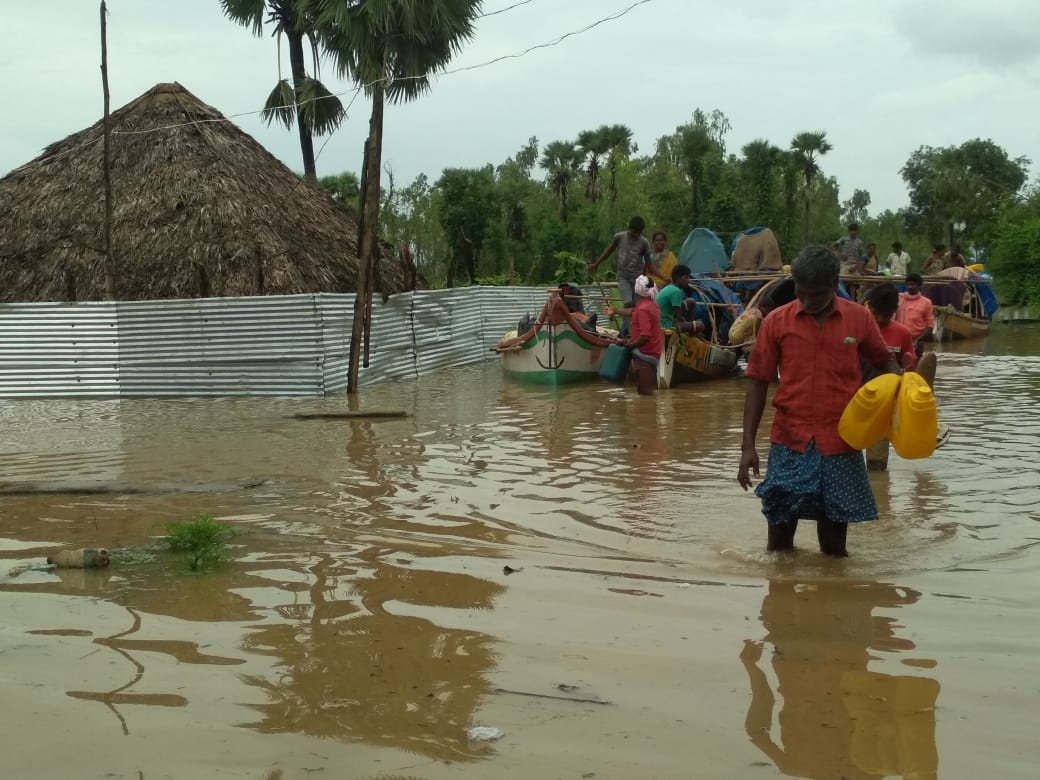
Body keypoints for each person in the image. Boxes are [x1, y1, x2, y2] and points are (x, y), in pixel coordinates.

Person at [737, 245, 899, 556]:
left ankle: (832, 600)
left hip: (842, 441)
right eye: (802, 292)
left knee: (835, 545)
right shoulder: (777, 322)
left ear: (834, 283)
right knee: (779, 542)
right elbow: (757, 381)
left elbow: (886, 364)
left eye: (817, 294)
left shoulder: (859, 319)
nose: (809, 301)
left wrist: (897, 401)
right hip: (789, 440)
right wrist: (747, 446)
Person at [588, 216, 652, 312]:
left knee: (637, 306)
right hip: (623, 277)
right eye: (633, 232)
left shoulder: (644, 243)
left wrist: (650, 280)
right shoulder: (619, 237)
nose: (635, 235)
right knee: (628, 303)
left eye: (637, 233)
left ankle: (630, 326)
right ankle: (630, 326)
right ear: (629, 228)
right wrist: (596, 264)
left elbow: (649, 265)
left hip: (637, 279)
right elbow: (608, 251)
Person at [619, 275, 662, 395]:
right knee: (644, 392)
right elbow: (632, 312)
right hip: (651, 352)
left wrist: (631, 345)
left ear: (636, 291)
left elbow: (645, 336)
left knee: (645, 393)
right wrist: (616, 311)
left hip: (645, 355)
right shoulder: (650, 305)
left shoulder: (643, 309)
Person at [656, 264, 707, 335]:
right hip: (665, 324)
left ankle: (691, 331)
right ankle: (691, 334)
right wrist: (691, 325)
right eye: (686, 278)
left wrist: (689, 324)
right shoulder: (675, 291)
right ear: (678, 278)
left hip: (666, 319)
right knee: (700, 325)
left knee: (690, 302)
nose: (688, 281)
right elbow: (679, 318)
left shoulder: (670, 287)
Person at [896, 273, 935, 355]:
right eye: (908, 284)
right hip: (898, 339)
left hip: (917, 341)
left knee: (915, 365)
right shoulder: (898, 298)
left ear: (920, 286)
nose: (910, 287)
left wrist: (917, 340)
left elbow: (930, 326)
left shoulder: (926, 302)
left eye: (913, 284)